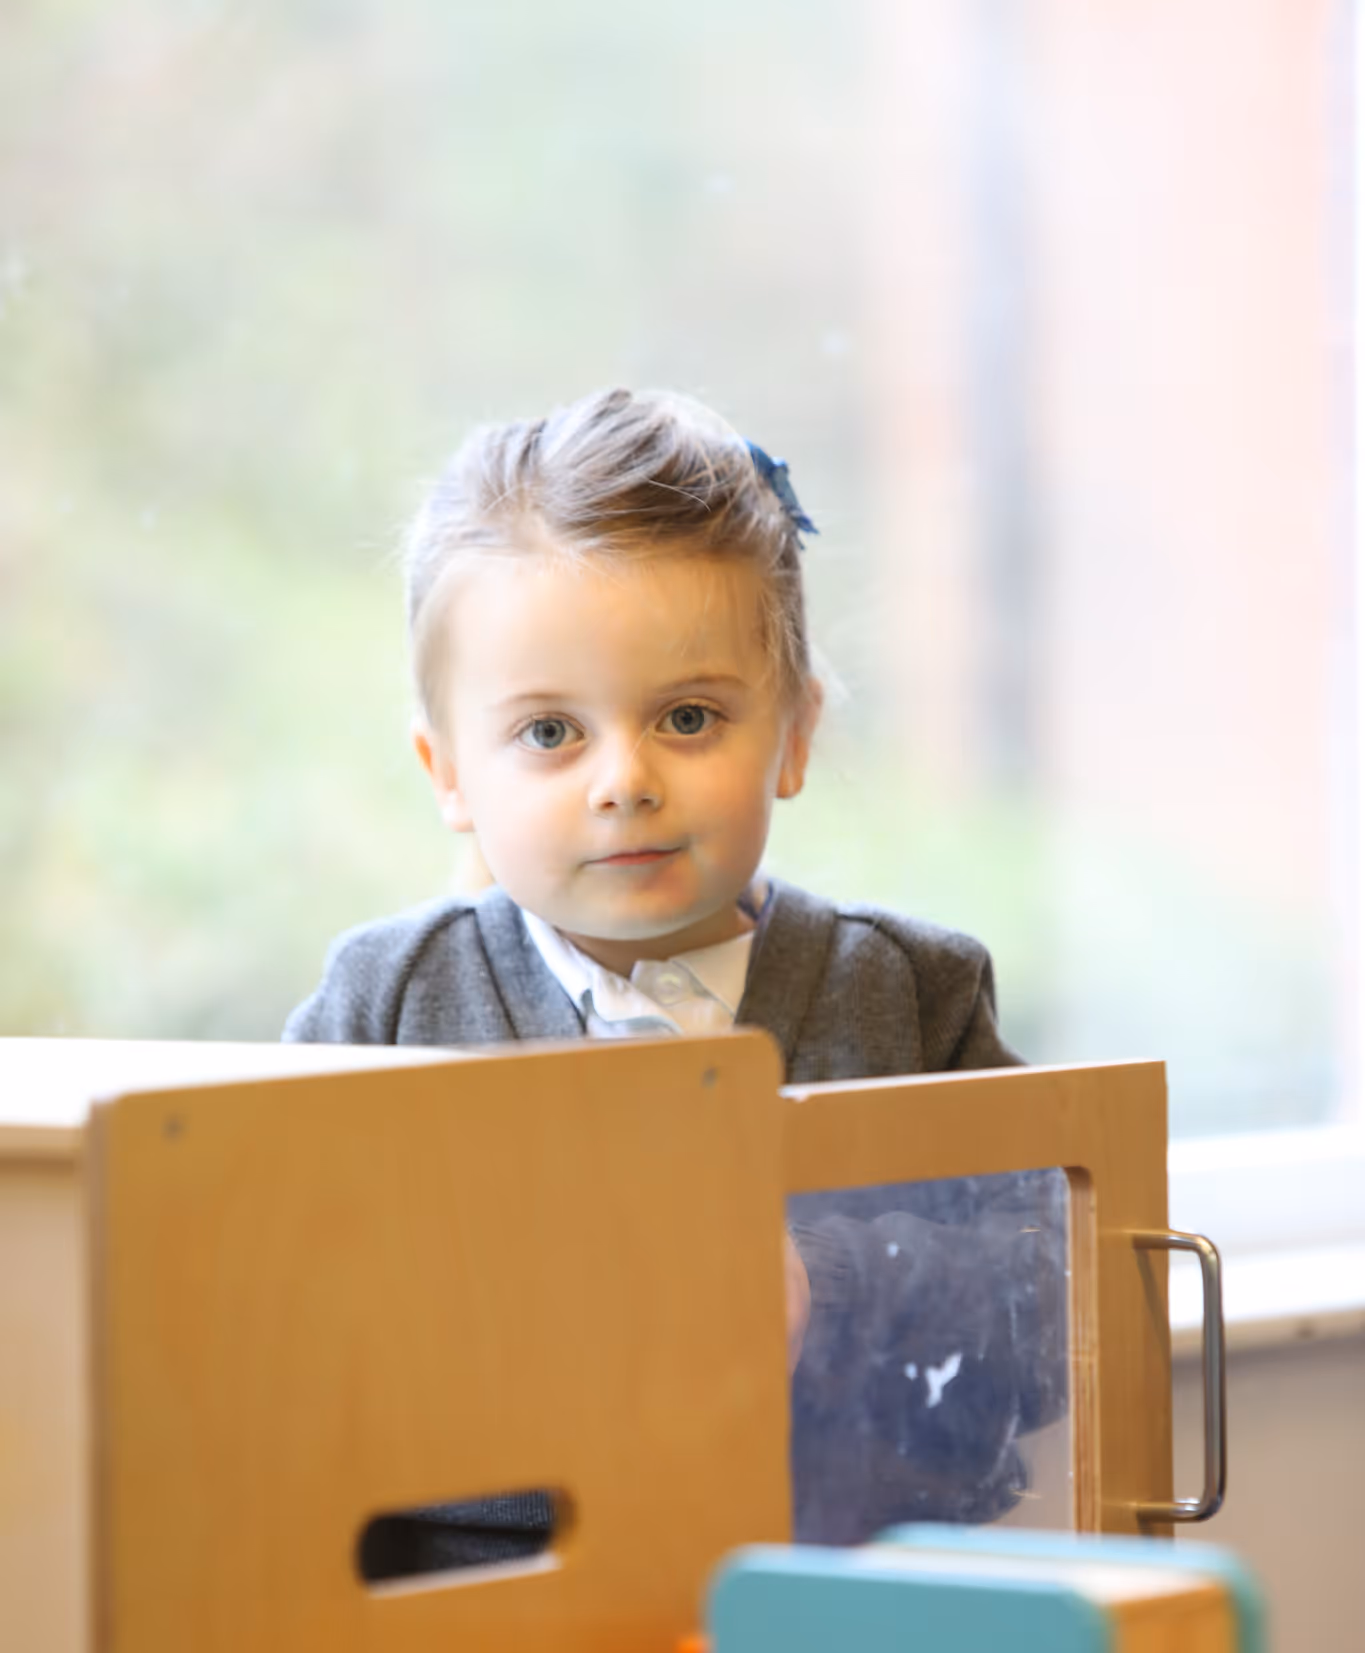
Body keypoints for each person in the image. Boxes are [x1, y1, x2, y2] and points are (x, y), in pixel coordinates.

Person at [286, 388, 1058, 1563]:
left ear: (794, 733)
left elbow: (1053, 1303)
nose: (623, 781)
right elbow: (267, 1310)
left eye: (688, 717)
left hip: (847, 1605)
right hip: (469, 1638)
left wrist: (823, 1285)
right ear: (448, 773)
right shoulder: (383, 1003)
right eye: (550, 732)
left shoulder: (912, 991)